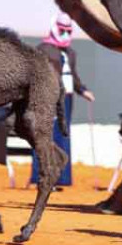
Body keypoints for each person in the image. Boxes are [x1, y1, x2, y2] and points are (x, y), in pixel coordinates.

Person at [31, 12, 94, 187]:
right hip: (48, 99)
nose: (65, 33)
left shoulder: (70, 53)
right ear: (54, 28)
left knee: (63, 135)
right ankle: (42, 176)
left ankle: (61, 178)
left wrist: (83, 90)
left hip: (66, 99)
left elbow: (73, 76)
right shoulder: (43, 49)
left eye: (68, 30)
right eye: (62, 30)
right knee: (45, 135)